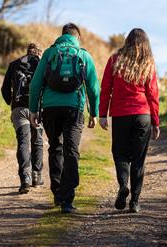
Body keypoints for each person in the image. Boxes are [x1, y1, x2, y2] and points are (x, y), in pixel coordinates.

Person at [29, 23, 100, 213]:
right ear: (78, 38)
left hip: (51, 108)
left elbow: (36, 83)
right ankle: (68, 198)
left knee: (55, 147)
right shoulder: (84, 55)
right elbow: (93, 87)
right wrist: (94, 112)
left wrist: (33, 109)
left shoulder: (50, 53)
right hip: (74, 108)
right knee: (71, 150)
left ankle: (57, 193)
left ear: (62, 36)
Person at [99, 28, 160, 213]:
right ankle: (134, 202)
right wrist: (156, 122)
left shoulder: (114, 60)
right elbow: (153, 94)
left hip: (121, 115)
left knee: (120, 154)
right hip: (143, 115)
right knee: (139, 160)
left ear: (126, 41)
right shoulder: (148, 63)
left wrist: (103, 114)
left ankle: (123, 184)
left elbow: (105, 88)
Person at [1, 43, 44, 194]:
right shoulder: (42, 64)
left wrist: (11, 102)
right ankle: (36, 176)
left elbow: (5, 89)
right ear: (39, 53)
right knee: (37, 141)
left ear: (27, 52)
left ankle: (25, 177)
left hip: (19, 108)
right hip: (38, 109)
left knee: (23, 142)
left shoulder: (14, 64)